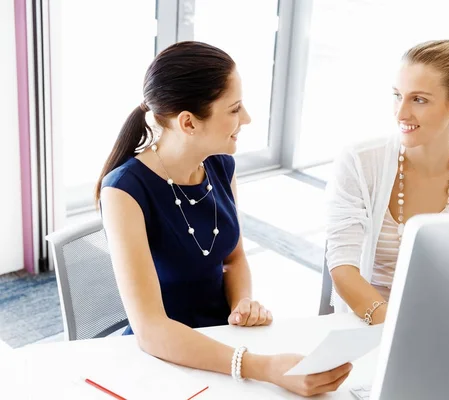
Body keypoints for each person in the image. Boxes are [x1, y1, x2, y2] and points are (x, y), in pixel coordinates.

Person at [97, 41, 351, 397]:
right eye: (234, 109)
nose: (245, 119)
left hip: (226, 340)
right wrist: (263, 367)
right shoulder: (124, 191)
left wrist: (241, 302)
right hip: (167, 356)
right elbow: (151, 330)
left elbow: (233, 258)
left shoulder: (219, 164)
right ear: (188, 122)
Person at [325, 37, 449, 326]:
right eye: (397, 95)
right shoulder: (360, 159)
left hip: (445, 321)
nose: (401, 112)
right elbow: (342, 264)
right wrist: (393, 327)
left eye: (419, 99)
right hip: (368, 320)